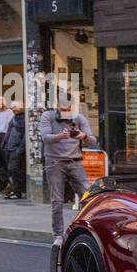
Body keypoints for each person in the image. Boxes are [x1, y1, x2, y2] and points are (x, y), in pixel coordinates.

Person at [39, 99, 97, 238]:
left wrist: (83, 136)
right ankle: (58, 235)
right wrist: (60, 136)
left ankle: (86, 229)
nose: (65, 113)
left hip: (75, 161)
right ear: (57, 107)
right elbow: (45, 137)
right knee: (57, 200)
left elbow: (93, 141)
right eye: (62, 110)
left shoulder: (79, 118)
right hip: (55, 161)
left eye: (68, 110)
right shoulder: (48, 116)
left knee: (87, 196)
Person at [2, 102, 26, 199]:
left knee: (13, 169)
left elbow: (24, 136)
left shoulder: (23, 119)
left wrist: (19, 149)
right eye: (12, 108)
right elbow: (9, 132)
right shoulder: (14, 119)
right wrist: (4, 145)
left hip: (15, 148)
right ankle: (15, 190)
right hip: (9, 148)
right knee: (12, 170)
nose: (13, 109)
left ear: (21, 107)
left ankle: (17, 191)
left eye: (15, 107)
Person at [0, 98, 14, 195]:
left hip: (5, 137)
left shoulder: (9, 113)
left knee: (6, 161)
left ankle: (10, 184)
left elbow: (10, 127)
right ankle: (8, 180)